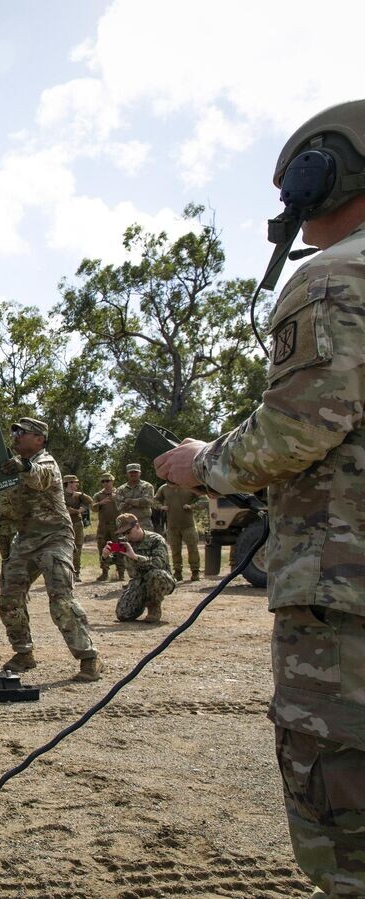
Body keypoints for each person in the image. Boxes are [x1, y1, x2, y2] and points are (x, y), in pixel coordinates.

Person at [154, 100, 365, 897]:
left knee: (347, 834)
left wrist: (201, 461)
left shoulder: (338, 276)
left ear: (324, 174)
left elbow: (292, 434)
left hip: (348, 608)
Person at [0, 417, 103, 681]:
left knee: (60, 598)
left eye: (23, 432)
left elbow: (39, 477)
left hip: (54, 537)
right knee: (9, 599)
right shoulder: (12, 466)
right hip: (26, 539)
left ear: (39, 439)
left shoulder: (46, 462)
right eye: (16, 432)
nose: (17, 436)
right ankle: (24, 653)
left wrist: (24, 466)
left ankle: (89, 659)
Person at [104, 513, 175, 624]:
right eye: (123, 533)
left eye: (128, 532)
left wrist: (135, 557)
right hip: (138, 582)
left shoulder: (156, 540)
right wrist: (105, 556)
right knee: (123, 614)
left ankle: (154, 607)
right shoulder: (125, 543)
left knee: (155, 575)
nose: (126, 536)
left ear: (137, 526)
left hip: (161, 580)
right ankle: (141, 601)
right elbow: (114, 561)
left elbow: (159, 562)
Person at [154, 482, 202, 581]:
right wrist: (161, 507)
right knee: (175, 550)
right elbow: (155, 500)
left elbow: (204, 499)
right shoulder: (164, 488)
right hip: (172, 525)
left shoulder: (189, 485)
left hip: (188, 524)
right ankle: (177, 572)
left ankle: (195, 571)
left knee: (193, 548)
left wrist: (192, 506)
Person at [92, 472, 125, 582]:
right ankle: (104, 572)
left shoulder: (119, 493)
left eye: (108, 481)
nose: (106, 483)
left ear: (112, 481)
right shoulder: (98, 495)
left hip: (117, 526)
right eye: (103, 481)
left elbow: (125, 506)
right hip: (103, 526)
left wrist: (115, 499)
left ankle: (121, 573)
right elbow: (93, 508)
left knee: (119, 547)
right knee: (103, 548)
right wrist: (101, 503)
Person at [63, 475, 93, 582]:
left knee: (78, 548)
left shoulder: (79, 495)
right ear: (69, 483)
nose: (77, 484)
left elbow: (90, 502)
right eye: (75, 482)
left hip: (77, 524)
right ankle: (65, 573)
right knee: (65, 549)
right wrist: (78, 511)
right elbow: (65, 509)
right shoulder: (61, 495)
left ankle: (76, 573)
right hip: (65, 525)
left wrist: (82, 494)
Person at [115, 463, 155, 532]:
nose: (133, 474)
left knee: (146, 542)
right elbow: (119, 506)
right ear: (127, 474)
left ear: (140, 473)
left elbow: (146, 501)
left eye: (135, 472)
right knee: (128, 542)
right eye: (131, 472)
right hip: (127, 523)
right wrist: (138, 502)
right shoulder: (121, 489)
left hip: (144, 522)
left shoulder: (147, 486)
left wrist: (128, 500)